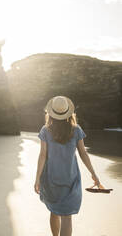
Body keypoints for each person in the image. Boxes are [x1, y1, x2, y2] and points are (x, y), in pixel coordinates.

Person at [34, 95, 104, 236]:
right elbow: (83, 153)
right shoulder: (76, 129)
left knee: (54, 211)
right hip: (70, 179)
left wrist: (37, 179)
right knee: (67, 217)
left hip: (50, 178)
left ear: (50, 113)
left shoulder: (45, 130)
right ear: (68, 112)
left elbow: (42, 155)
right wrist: (94, 174)